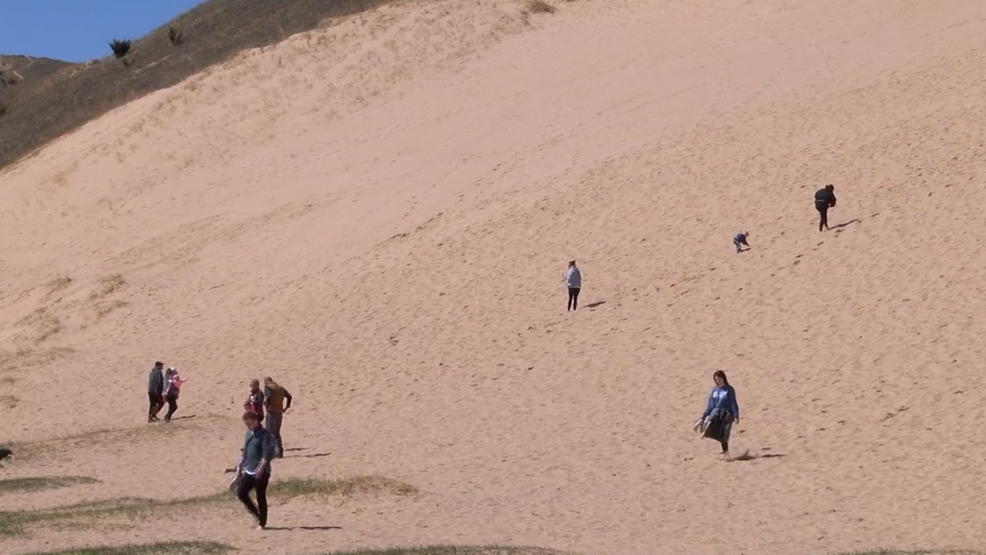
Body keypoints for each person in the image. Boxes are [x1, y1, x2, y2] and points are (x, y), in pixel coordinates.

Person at [235, 411, 275, 530]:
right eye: (246, 424)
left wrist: (261, 468)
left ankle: (262, 523)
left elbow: (267, 453)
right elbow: (246, 451)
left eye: (250, 423)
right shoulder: (248, 433)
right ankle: (256, 515)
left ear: (256, 421)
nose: (248, 426)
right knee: (241, 493)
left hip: (262, 471)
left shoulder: (265, 434)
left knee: (260, 496)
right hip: (249, 469)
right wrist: (240, 465)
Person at [694, 370, 740, 459]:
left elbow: (733, 402)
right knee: (716, 433)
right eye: (716, 379)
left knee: (725, 433)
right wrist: (703, 416)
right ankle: (725, 451)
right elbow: (710, 404)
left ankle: (726, 453)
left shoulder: (729, 389)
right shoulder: (715, 390)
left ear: (723, 378)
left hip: (727, 414)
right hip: (716, 413)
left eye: (719, 379)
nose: (717, 381)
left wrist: (736, 415)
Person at [263, 377, 293, 458]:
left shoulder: (268, 387)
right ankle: (279, 451)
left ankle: (273, 452)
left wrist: (266, 406)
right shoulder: (281, 388)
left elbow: (268, 397)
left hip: (271, 411)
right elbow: (289, 396)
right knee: (277, 432)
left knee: (270, 432)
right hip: (279, 411)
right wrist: (286, 407)